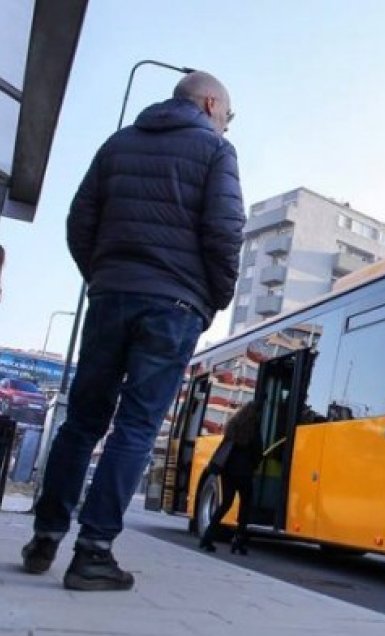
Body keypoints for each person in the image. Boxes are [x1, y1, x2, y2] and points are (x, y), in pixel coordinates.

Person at [21, 71, 245, 591]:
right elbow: (225, 230)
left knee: (81, 422)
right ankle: (94, 552)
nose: (228, 126)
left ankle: (45, 538)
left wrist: (104, 276)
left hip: (110, 297)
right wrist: (212, 297)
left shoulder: (118, 143)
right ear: (211, 103)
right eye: (229, 116)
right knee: (136, 427)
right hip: (173, 304)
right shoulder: (215, 151)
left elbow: (80, 220)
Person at [199, 400, 263, 555]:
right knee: (245, 505)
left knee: (225, 504)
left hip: (227, 471)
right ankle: (238, 541)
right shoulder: (253, 428)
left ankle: (207, 537)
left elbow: (225, 447)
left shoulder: (233, 425)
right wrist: (254, 465)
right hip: (244, 473)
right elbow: (258, 451)